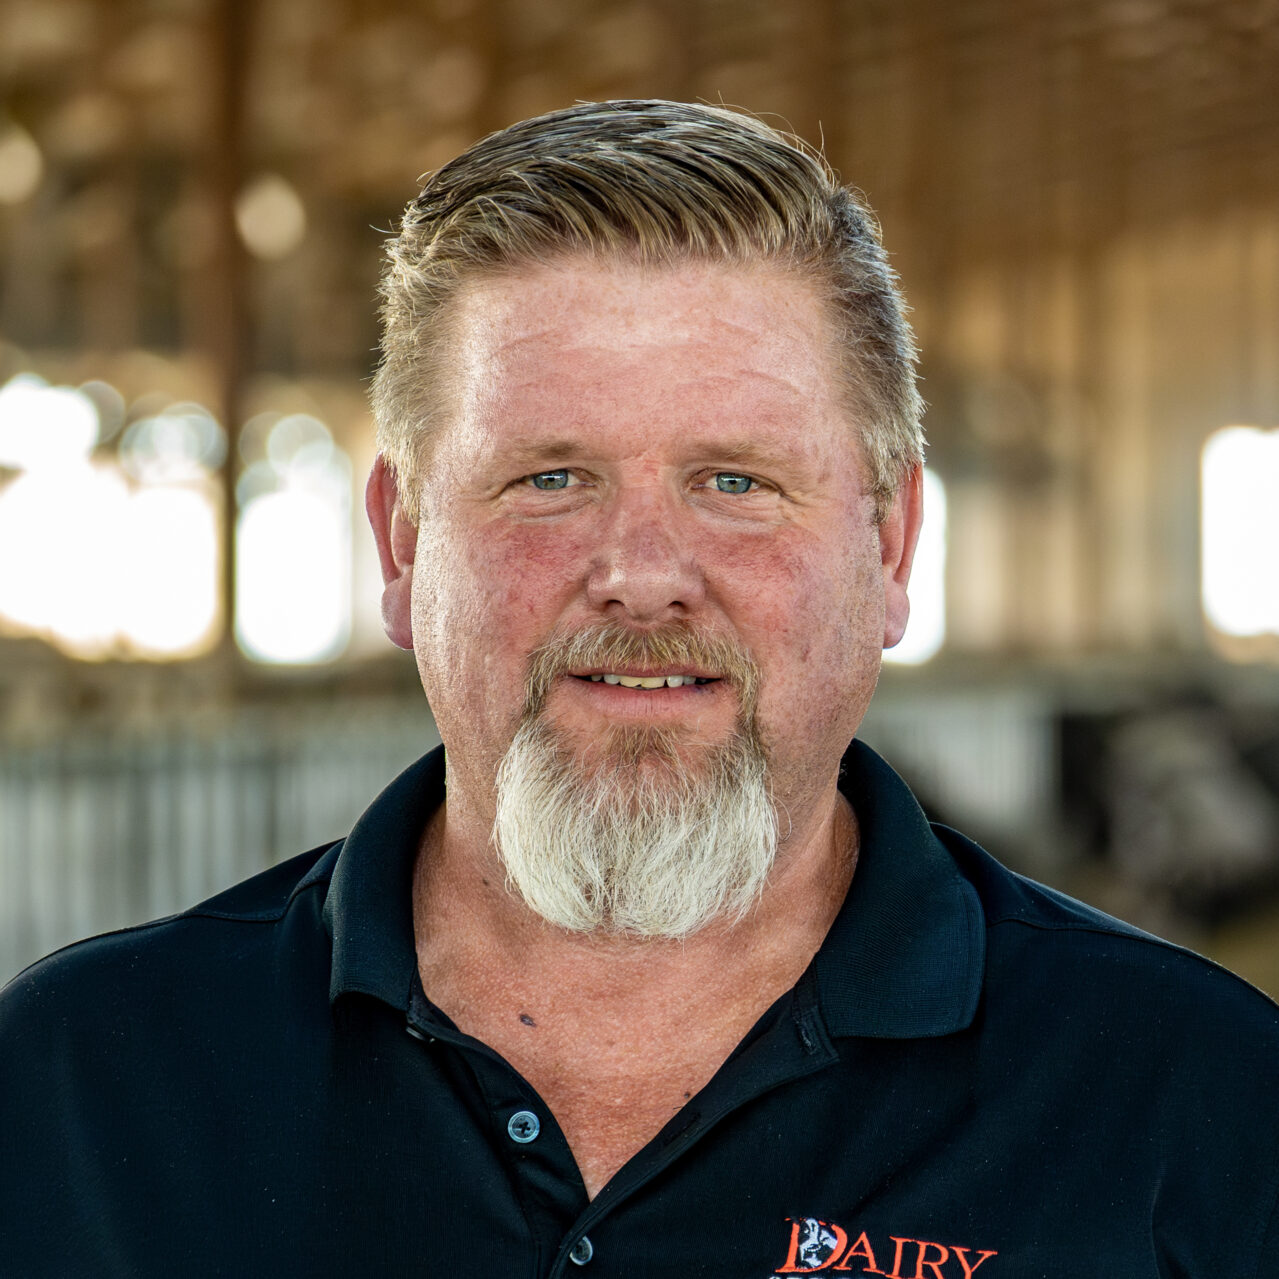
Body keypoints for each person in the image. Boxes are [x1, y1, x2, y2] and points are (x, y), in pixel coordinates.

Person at [2, 100, 1276, 1279]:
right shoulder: (79, 1082)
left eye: (735, 481)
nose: (643, 577)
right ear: (400, 548)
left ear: (889, 551)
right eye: (549, 478)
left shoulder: (1200, 1098)